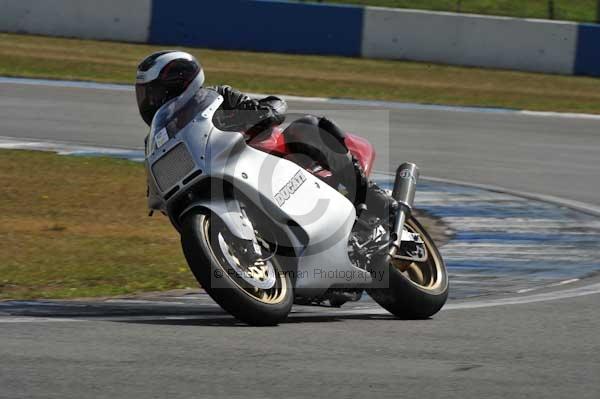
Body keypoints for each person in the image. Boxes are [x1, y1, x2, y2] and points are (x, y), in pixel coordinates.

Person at [135, 50, 393, 218]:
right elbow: (158, 186)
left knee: (304, 126)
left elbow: (274, 106)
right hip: (223, 183)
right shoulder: (158, 138)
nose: (148, 101)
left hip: (270, 160)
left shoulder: (218, 96)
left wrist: (261, 114)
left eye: (152, 92)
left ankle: (368, 194)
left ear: (177, 84)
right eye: (144, 94)